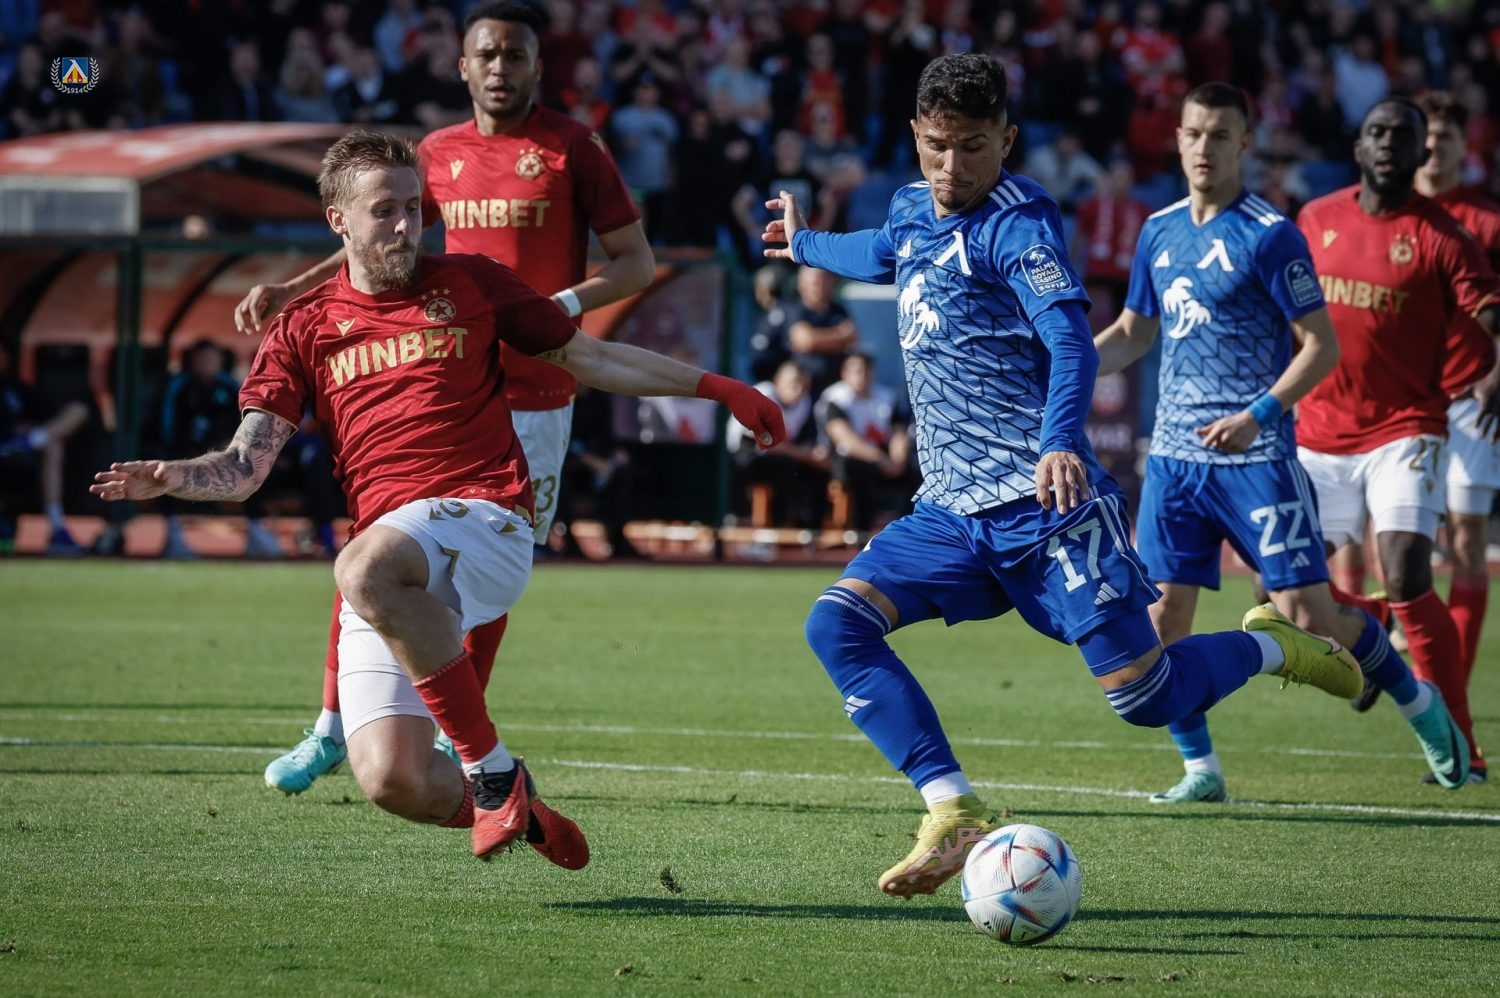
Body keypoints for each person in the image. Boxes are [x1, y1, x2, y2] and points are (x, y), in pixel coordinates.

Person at [93, 130, 784, 865]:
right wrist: (172, 477)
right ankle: (527, 811)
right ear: (338, 221)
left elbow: (593, 358)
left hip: (485, 517)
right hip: (398, 560)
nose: (405, 225)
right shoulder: (303, 326)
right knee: (395, 780)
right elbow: (243, 469)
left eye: (414, 208)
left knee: (359, 569)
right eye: (384, 210)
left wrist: (721, 388)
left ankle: (492, 775)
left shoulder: (472, 282)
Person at [762, 54, 1362, 900]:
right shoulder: (911, 209)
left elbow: (1073, 341)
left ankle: (1276, 647)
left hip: (1047, 507)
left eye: (974, 147)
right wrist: (805, 243)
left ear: (1006, 140)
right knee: (836, 625)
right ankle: (952, 809)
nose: (953, 166)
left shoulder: (1019, 227)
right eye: (938, 146)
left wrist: (1057, 441)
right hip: (951, 513)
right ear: (917, 136)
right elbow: (880, 250)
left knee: (1145, 695)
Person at [233, 0, 656, 795]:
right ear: (462, 66)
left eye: (515, 55)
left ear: (538, 66)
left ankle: (459, 733)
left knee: (488, 568)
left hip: (535, 388)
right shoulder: (434, 152)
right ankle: (329, 727)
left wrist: (552, 308)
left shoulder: (573, 148)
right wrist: (294, 290)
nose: (500, 68)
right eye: (486, 54)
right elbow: (378, 246)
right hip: (440, 373)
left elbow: (636, 264)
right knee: (374, 544)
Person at [1092, 83, 1470, 804]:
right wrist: (1070, 363)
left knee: (1309, 618)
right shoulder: (1158, 231)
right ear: (1177, 139)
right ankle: (1201, 769)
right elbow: (1134, 334)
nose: (1204, 148)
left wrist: (1258, 414)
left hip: (1255, 460)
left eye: (1220, 135)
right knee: (1161, 625)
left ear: (1245, 144)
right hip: (1172, 464)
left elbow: (1320, 346)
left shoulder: (1270, 235)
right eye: (1194, 133)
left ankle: (1420, 704)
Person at [1296, 97, 1500, 785]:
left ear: (1420, 154)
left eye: (1402, 136)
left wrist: (1496, 371)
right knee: (1289, 593)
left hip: (1407, 425)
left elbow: (1491, 313)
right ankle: (1373, 631)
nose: (1388, 143)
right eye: (1377, 132)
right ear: (1359, 147)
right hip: (1318, 429)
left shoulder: (1445, 235)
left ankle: (1462, 747)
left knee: (1409, 569)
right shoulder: (1315, 219)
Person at [1413, 90, 1500, 728]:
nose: (1433, 148)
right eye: (1426, 137)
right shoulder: (1389, 214)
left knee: (1466, 539)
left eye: (1445, 137)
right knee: (1399, 547)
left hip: (1472, 399)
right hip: (1400, 403)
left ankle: (1452, 692)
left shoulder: (1487, 220)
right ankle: (1406, 668)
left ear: (1463, 145)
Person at [158, 339, 285, 559]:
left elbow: (246, 423)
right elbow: (168, 428)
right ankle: (174, 537)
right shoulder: (179, 387)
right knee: (167, 467)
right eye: (201, 359)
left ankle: (256, 531)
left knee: (255, 463)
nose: (206, 364)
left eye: (211, 359)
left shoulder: (229, 386)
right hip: (186, 452)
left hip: (225, 453)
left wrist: (229, 444)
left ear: (220, 361)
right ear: (192, 362)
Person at [0, 340, 89, 556]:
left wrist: (29, 429)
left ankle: (57, 528)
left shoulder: (14, 386)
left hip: (21, 449)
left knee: (74, 416)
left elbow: (44, 415)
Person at [815, 351, 917, 531]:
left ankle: (911, 526)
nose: (861, 376)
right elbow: (844, 437)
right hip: (851, 458)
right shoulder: (835, 398)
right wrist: (880, 459)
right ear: (844, 373)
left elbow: (898, 432)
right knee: (858, 469)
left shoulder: (886, 396)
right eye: (856, 371)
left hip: (885, 459)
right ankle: (861, 530)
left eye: (865, 370)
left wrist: (898, 460)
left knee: (916, 467)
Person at [728, 359, 829, 529]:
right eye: (793, 384)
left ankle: (802, 526)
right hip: (744, 452)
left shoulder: (804, 402)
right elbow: (764, 442)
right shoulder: (762, 395)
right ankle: (739, 518)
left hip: (780, 456)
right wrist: (804, 454)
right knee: (760, 466)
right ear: (778, 380)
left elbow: (805, 441)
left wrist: (817, 453)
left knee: (815, 470)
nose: (799, 390)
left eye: (804, 386)